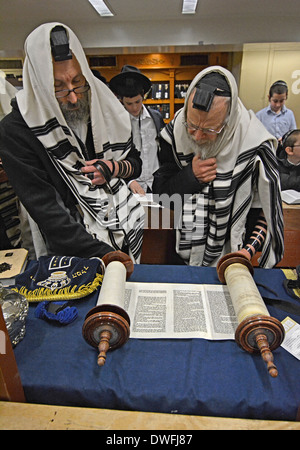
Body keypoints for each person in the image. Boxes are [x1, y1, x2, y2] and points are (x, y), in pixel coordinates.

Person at [0, 23, 145, 263]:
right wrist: (109, 257)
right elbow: (49, 213)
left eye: (78, 82)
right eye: (58, 88)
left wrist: (113, 169)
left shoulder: (100, 104)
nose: (74, 97)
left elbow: (135, 163)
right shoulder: (15, 131)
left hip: (125, 233)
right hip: (71, 249)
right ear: (38, 86)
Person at [153, 66, 284, 268]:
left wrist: (248, 250)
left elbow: (267, 211)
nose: (197, 137)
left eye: (210, 129)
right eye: (193, 125)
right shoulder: (177, 132)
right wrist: (190, 177)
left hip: (235, 253)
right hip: (180, 249)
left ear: (229, 121)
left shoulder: (254, 142)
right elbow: (162, 195)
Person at [110, 65, 165, 195]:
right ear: (121, 100)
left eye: (138, 102)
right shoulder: (116, 123)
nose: (134, 108)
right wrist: (129, 180)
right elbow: (114, 157)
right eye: (129, 104)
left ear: (143, 97)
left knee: (160, 216)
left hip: (156, 184)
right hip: (129, 186)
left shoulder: (156, 118)